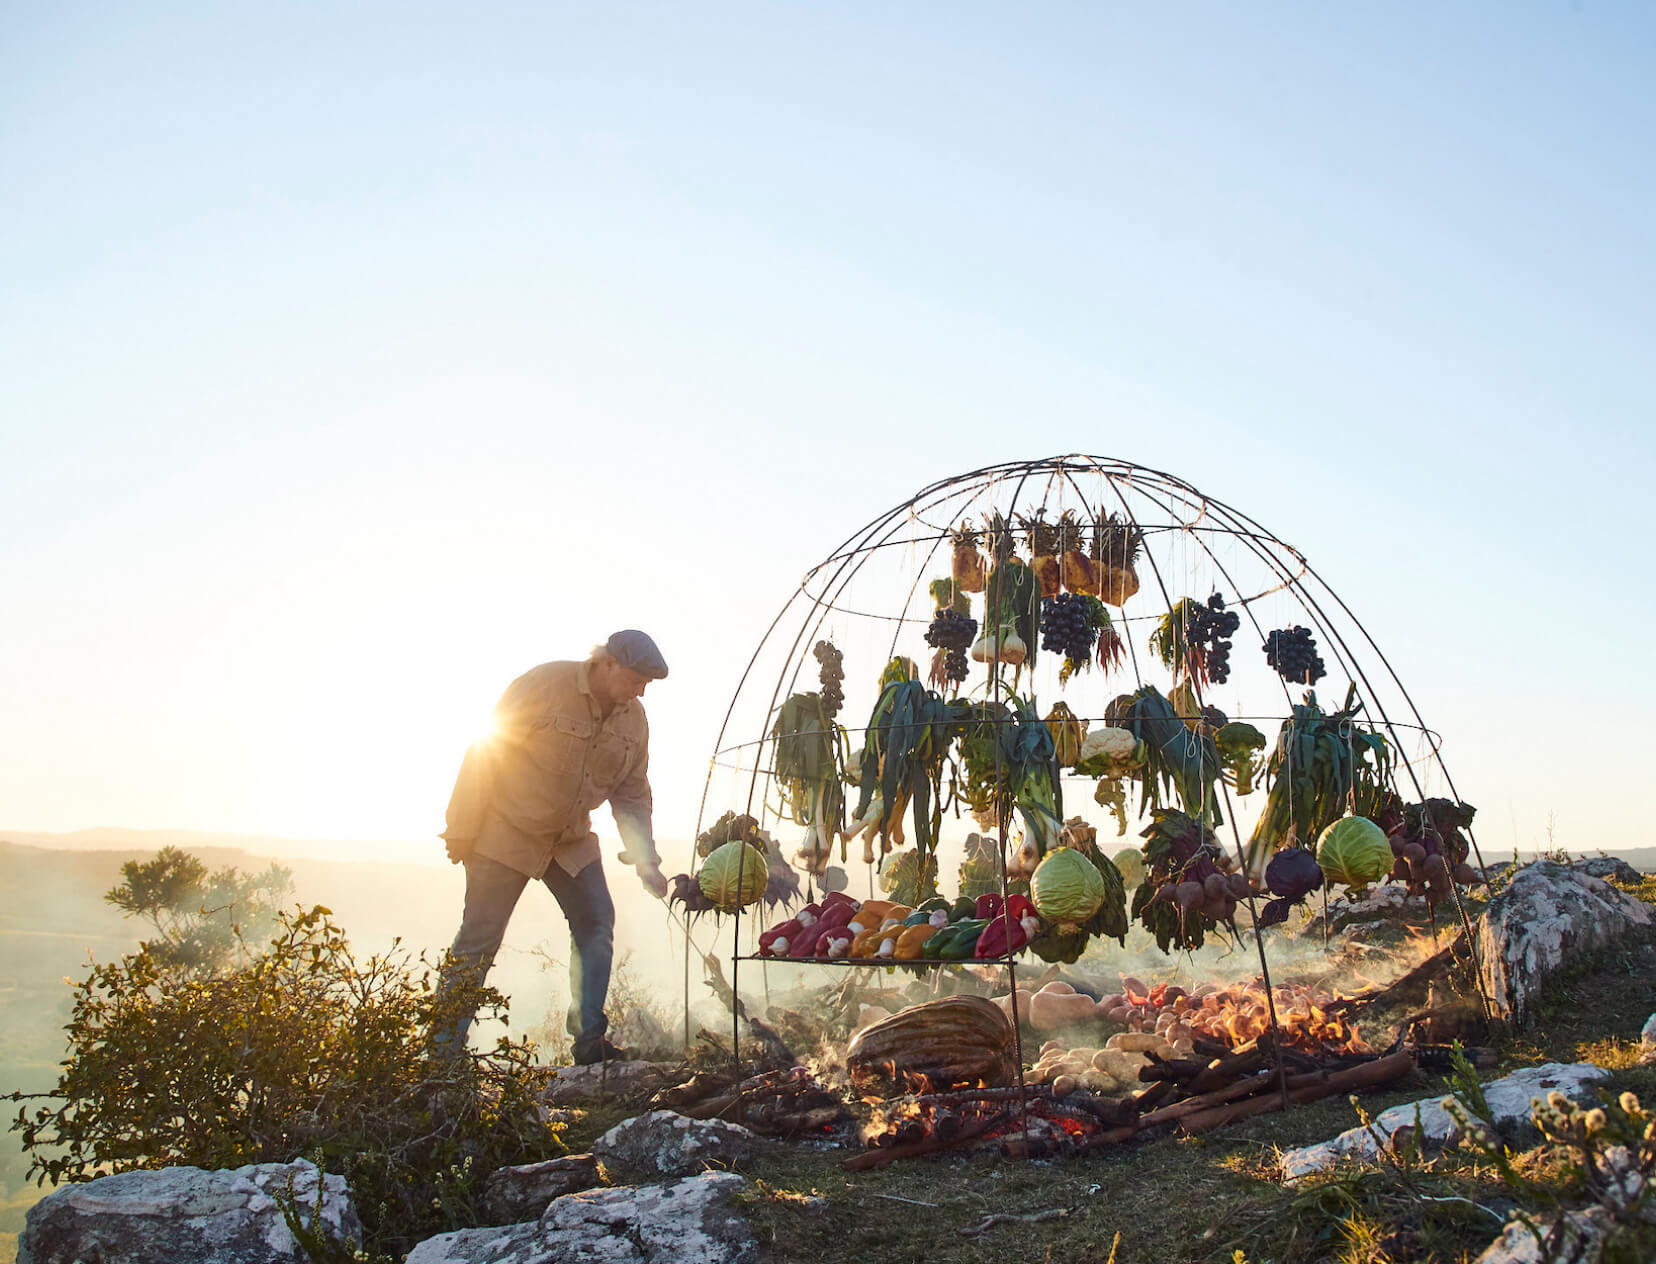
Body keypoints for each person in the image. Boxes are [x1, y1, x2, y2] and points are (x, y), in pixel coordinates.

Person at [436, 629, 671, 1064]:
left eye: (647, 685)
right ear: (608, 664)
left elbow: (632, 793)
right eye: (636, 679)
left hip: (570, 841)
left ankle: (588, 1044)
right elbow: (484, 749)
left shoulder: (633, 720)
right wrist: (462, 828)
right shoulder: (544, 685)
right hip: (506, 833)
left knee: (596, 924)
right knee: (478, 942)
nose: (640, 691)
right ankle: (441, 1057)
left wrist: (645, 860)